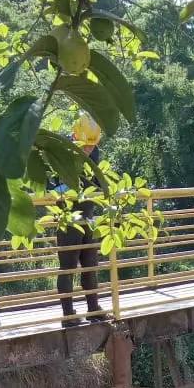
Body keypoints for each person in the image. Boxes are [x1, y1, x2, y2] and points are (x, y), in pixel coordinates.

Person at [53, 114, 107, 328]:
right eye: (85, 145)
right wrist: (72, 187)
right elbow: (52, 188)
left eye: (92, 146)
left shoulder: (95, 152)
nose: (88, 150)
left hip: (88, 216)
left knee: (90, 265)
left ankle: (93, 308)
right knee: (68, 268)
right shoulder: (61, 152)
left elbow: (99, 182)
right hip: (68, 218)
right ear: (76, 137)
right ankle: (68, 314)